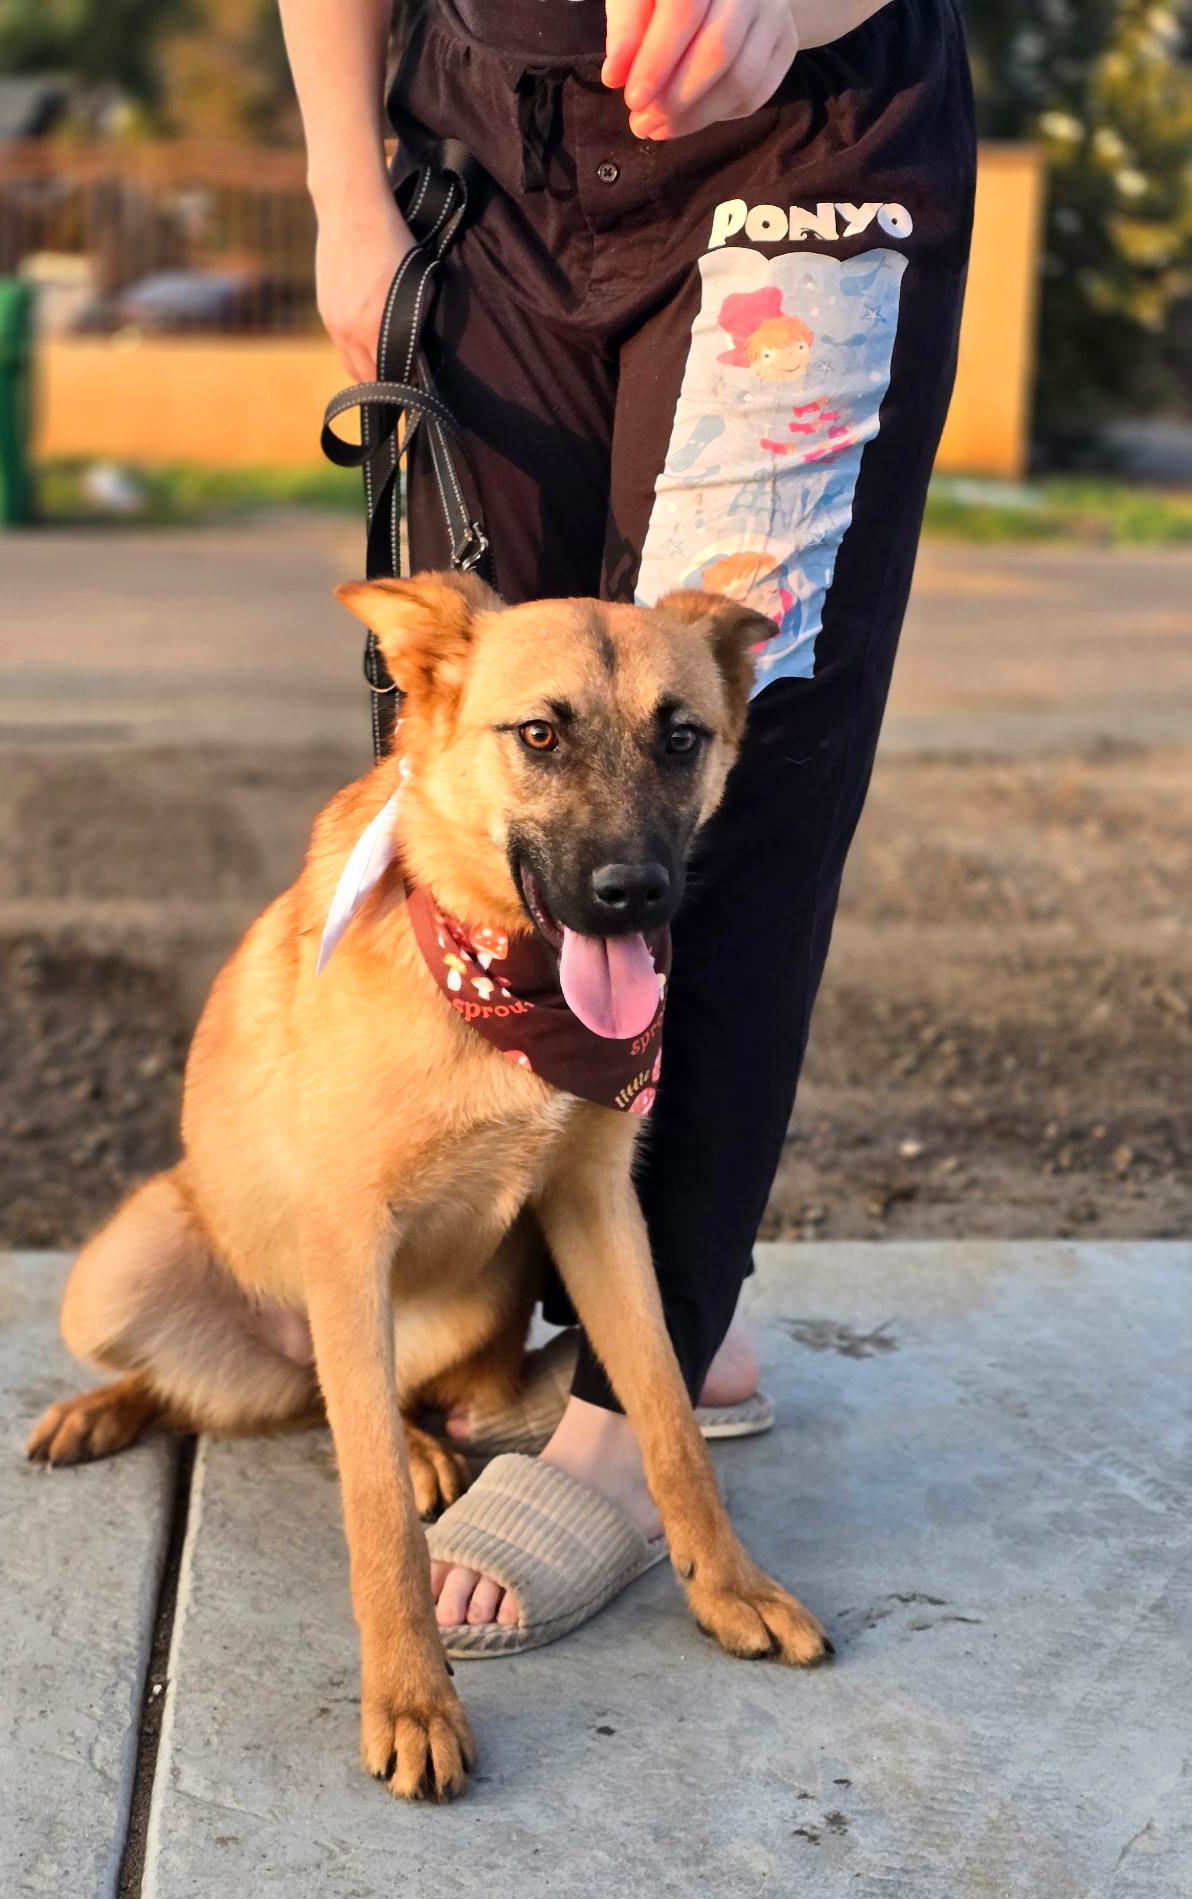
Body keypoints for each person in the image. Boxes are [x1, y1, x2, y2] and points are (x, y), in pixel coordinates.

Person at [276, 0, 975, 1638]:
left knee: (720, 762)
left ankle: (615, 1422)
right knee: (481, 740)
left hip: (797, 154)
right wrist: (342, 187)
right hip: (488, 155)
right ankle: (657, 1300)